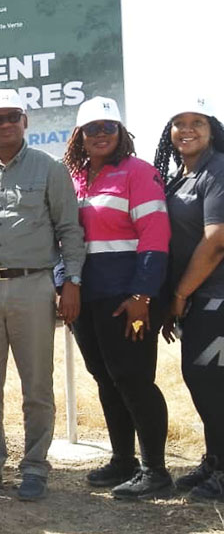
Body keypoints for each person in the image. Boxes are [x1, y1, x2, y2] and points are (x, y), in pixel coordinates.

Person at [0, 89, 87, 502]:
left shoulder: (50, 169)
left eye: (13, 116)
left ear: (25, 121)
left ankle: (34, 466)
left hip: (34, 285)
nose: (6, 124)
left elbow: (70, 230)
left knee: (37, 383)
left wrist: (72, 283)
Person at [65, 96, 173, 498]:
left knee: (134, 379)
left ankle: (156, 471)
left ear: (121, 132)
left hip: (129, 300)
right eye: (91, 129)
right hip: (88, 299)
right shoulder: (74, 178)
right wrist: (65, 285)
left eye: (108, 127)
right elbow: (66, 237)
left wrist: (143, 294)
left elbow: (155, 236)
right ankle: (123, 460)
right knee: (106, 379)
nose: (100, 135)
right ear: (80, 135)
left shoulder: (139, 172)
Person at [155, 99, 224, 499]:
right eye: (178, 123)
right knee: (203, 383)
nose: (187, 129)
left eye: (196, 122)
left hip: (215, 297)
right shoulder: (182, 175)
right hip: (198, 299)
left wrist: (180, 294)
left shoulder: (217, 171)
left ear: (211, 128)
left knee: (212, 384)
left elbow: (216, 242)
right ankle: (215, 458)